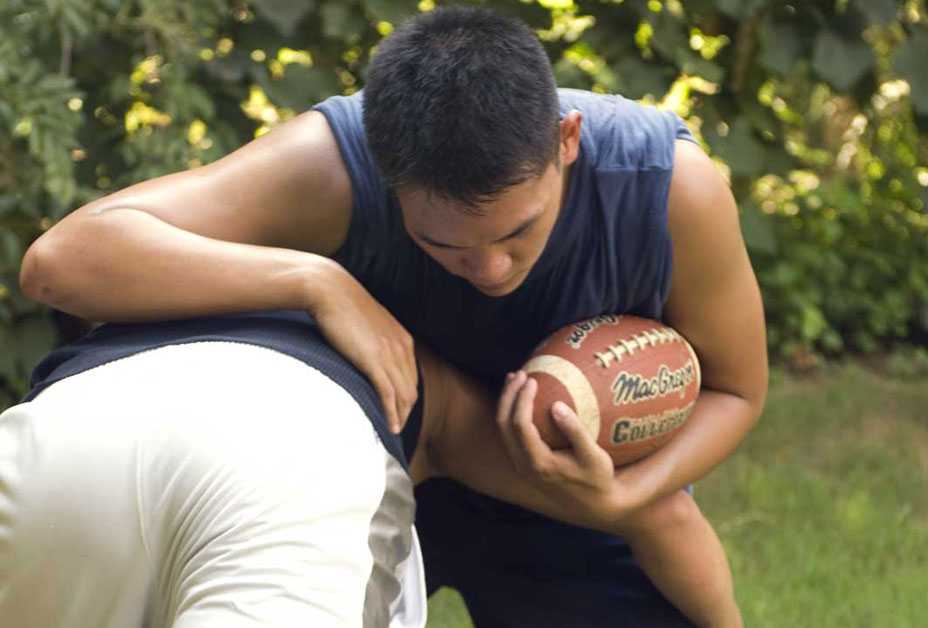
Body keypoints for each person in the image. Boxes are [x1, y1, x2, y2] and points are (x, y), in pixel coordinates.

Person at [19, 6, 768, 627]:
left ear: (565, 141)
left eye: (516, 232)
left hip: (572, 484)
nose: (491, 269)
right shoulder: (334, 164)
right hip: (389, 457)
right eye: (444, 243)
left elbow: (736, 391)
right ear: (385, 174)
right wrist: (314, 280)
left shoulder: (669, 190)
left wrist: (621, 497)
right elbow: (64, 260)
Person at [1, 310, 731, 628]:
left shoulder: (240, 265)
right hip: (293, 460)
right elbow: (658, 510)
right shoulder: (451, 402)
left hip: (72, 427)